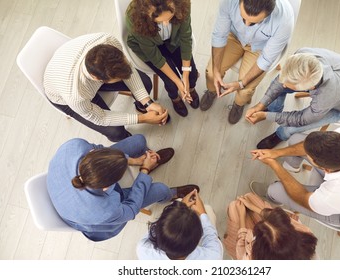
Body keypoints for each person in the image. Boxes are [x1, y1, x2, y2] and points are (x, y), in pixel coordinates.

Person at [47, 134, 199, 241]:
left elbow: (100, 148)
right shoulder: (106, 210)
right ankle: (170, 194)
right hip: (98, 215)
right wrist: (144, 171)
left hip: (69, 191)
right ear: (108, 187)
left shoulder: (74, 146)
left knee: (139, 140)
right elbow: (132, 209)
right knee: (160, 189)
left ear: (91, 154)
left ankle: (149, 162)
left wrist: (134, 161)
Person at [250, 127, 340, 229]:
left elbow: (302, 197)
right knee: (295, 139)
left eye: (310, 157)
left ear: (325, 169)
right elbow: (306, 146)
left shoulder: (334, 195)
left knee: (277, 190)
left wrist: (275, 165)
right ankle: (293, 166)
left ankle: (271, 196)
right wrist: (276, 153)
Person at [44, 33, 169, 142]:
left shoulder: (109, 41)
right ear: (97, 79)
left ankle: (142, 107)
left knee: (145, 82)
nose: (124, 78)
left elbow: (128, 70)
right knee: (116, 131)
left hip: (72, 64)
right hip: (64, 95)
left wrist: (147, 103)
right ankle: (128, 140)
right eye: (119, 78)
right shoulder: (76, 96)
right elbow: (101, 118)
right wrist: (142, 119)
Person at [246, 48, 340, 149]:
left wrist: (266, 116)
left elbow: (302, 119)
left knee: (292, 127)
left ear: (310, 87)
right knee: (279, 87)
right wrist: (260, 105)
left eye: (287, 83)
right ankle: (272, 109)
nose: (282, 84)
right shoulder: (303, 55)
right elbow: (280, 81)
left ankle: (280, 135)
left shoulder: (326, 96)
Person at [200, 0, 294, 124]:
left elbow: (266, 59)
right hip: (234, 36)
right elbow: (219, 36)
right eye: (243, 18)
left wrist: (240, 84)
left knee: (246, 90)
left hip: (261, 47)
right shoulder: (229, 2)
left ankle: (239, 104)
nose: (246, 24)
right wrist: (216, 70)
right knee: (211, 73)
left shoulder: (284, 21)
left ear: (269, 13)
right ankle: (212, 91)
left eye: (254, 22)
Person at [126, 0, 199, 117]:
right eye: (160, 21)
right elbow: (155, 57)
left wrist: (185, 75)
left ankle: (190, 89)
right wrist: (178, 82)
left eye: (170, 17)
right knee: (171, 83)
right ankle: (175, 98)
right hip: (149, 48)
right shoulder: (134, 19)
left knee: (192, 74)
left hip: (174, 39)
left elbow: (185, 37)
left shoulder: (183, 4)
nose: (166, 24)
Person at [224, 192, 317, 259]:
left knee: (234, 206)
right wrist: (254, 208)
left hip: (244, 246)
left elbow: (241, 247)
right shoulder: (305, 233)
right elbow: (275, 218)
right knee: (248, 197)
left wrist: (241, 216)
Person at [137, 190, 223, 260]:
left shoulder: (143, 249)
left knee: (177, 201)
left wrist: (179, 207)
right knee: (208, 209)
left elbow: (155, 230)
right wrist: (203, 213)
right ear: (196, 241)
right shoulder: (213, 257)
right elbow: (212, 240)